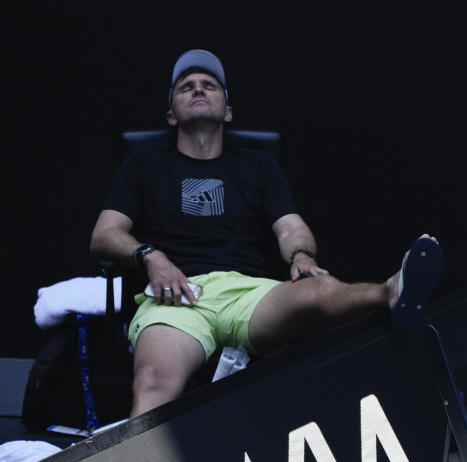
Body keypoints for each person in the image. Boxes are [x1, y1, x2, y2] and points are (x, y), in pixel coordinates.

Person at [90, 49, 443, 418]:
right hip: (174, 297)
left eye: (209, 86)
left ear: (227, 110)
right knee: (152, 381)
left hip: (246, 293)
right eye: (186, 87)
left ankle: (390, 290)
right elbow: (104, 233)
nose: (198, 91)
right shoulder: (143, 163)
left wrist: (301, 256)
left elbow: (290, 227)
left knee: (317, 290)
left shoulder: (257, 165)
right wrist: (152, 256)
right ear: (171, 115)